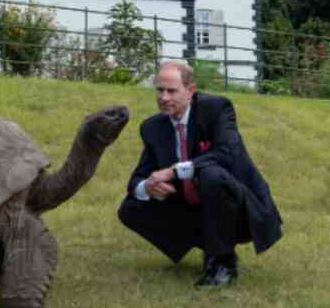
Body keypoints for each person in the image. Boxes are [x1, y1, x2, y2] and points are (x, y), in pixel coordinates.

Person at [118, 60, 282, 286]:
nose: (163, 98)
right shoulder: (152, 127)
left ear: (190, 91)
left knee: (210, 175)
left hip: (239, 207)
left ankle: (224, 261)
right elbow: (137, 178)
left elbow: (225, 154)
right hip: (195, 205)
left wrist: (173, 171)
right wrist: (147, 186)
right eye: (159, 90)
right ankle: (210, 247)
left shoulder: (216, 109)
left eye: (171, 91)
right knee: (130, 207)